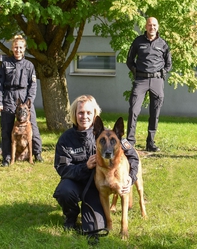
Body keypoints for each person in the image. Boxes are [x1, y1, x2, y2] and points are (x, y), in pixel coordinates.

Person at [53, 95, 139, 244]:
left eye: (88, 113)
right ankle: (71, 218)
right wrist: (84, 167)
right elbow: (62, 168)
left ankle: (91, 217)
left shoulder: (106, 134)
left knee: (96, 228)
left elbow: (133, 157)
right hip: (76, 182)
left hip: (96, 189)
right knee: (64, 191)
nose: (84, 116)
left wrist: (130, 177)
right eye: (80, 112)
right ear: (74, 114)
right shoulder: (66, 139)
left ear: (94, 115)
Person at [0, 35, 43, 167]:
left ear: (24, 49)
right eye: (16, 47)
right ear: (12, 48)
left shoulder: (29, 65)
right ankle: (7, 157)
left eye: (20, 47)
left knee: (32, 126)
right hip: (9, 97)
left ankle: (37, 154)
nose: (18, 50)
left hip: (25, 97)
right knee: (6, 128)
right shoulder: (5, 64)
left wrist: (29, 101)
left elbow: (33, 85)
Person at [126, 17, 172, 152]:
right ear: (146, 26)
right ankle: (130, 142)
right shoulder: (138, 41)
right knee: (134, 110)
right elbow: (129, 60)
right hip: (141, 80)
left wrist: (162, 73)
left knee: (155, 112)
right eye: (149, 25)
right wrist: (136, 71)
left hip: (157, 81)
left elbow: (168, 64)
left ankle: (150, 143)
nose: (152, 27)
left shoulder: (163, 44)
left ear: (158, 27)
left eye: (154, 25)